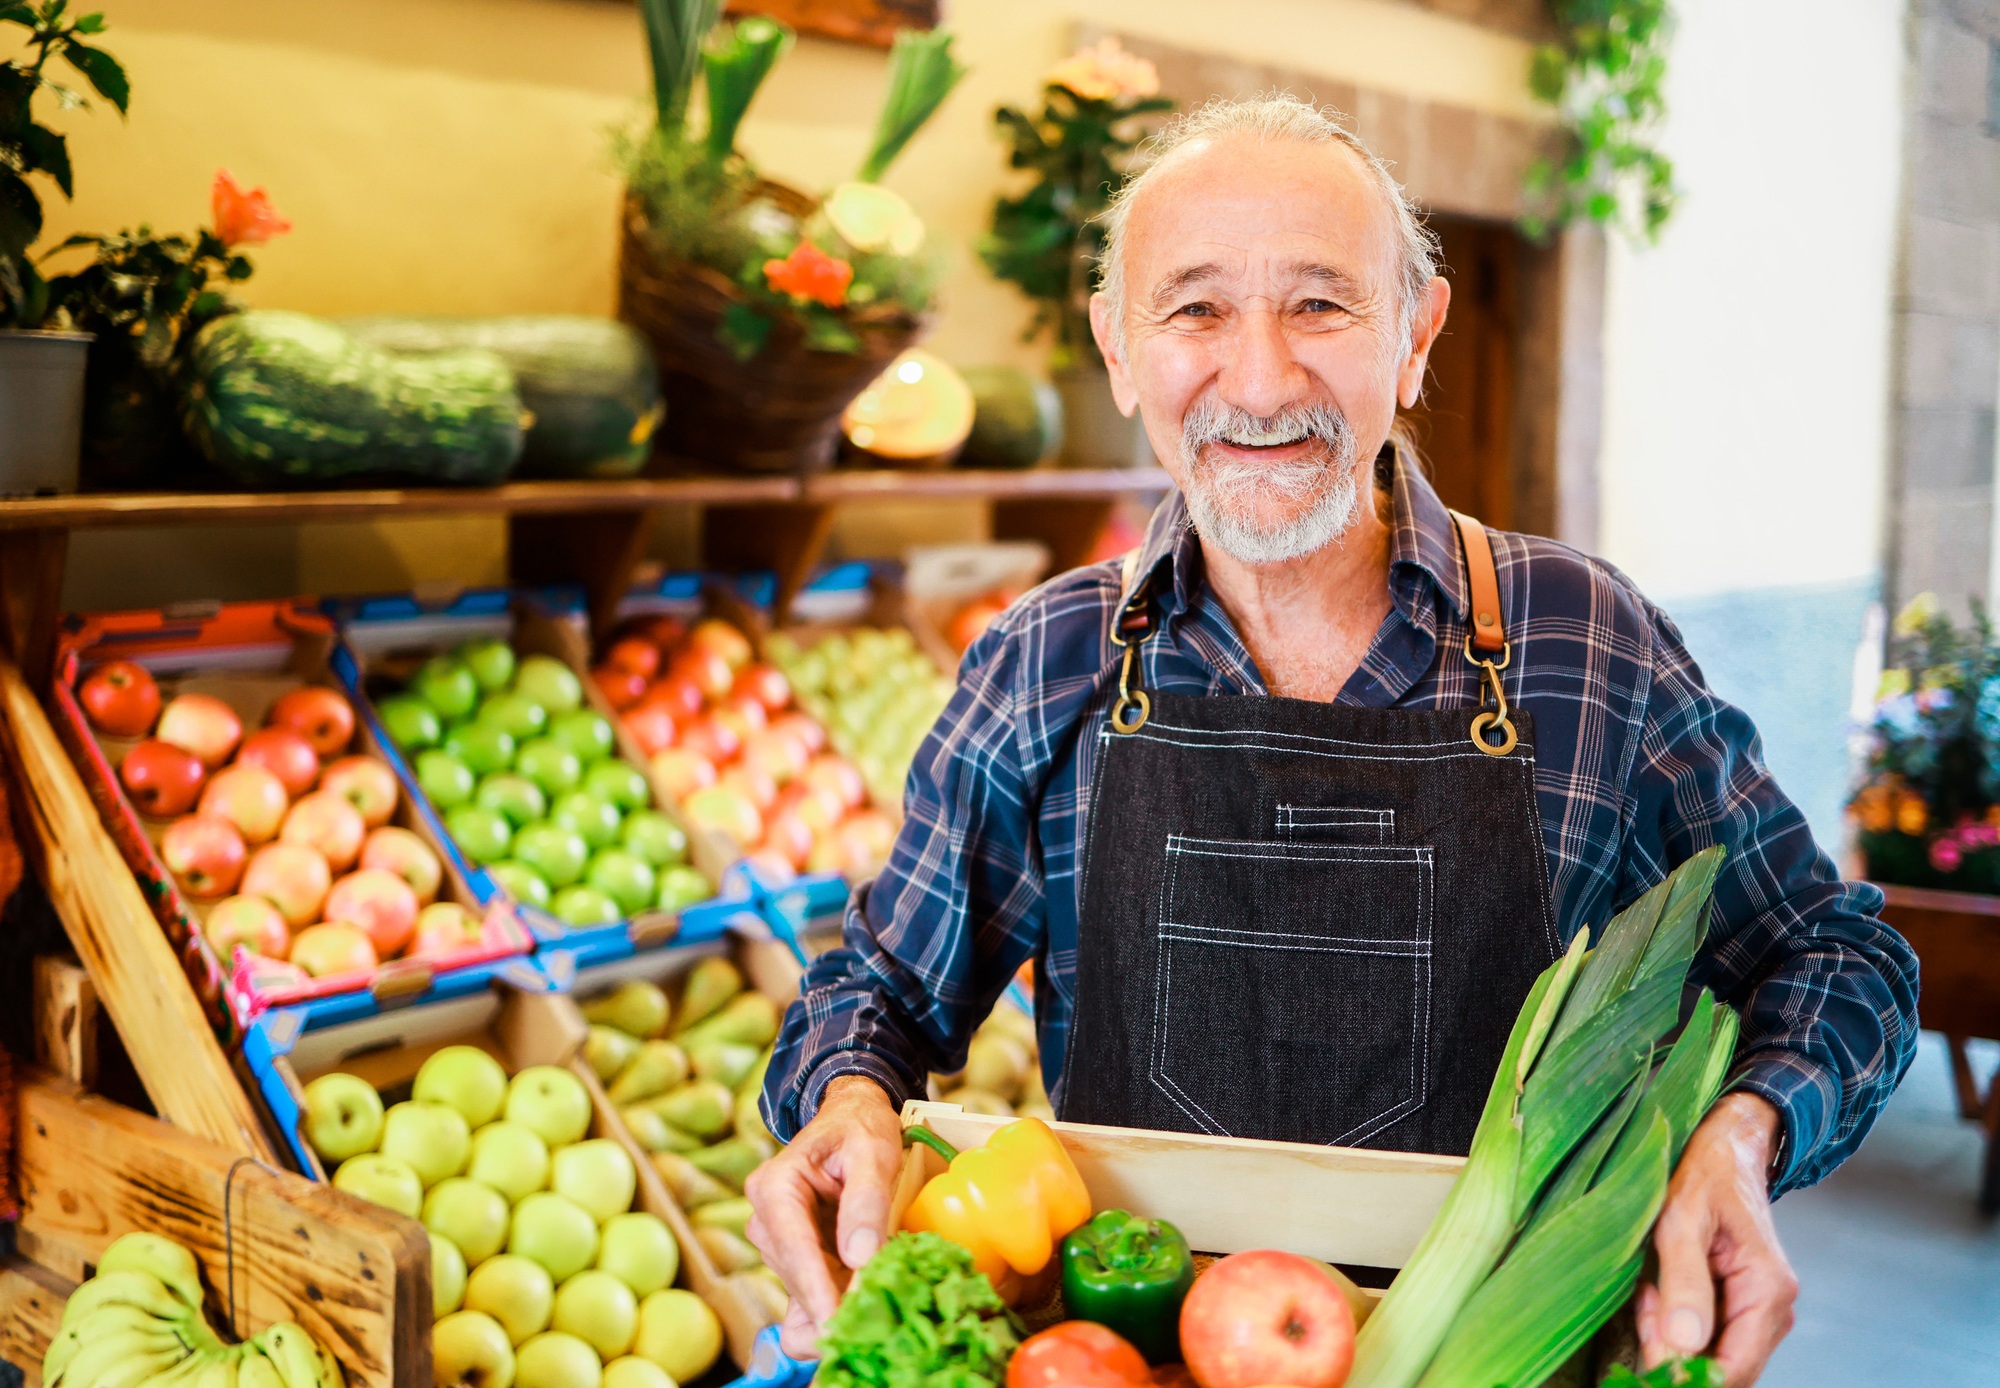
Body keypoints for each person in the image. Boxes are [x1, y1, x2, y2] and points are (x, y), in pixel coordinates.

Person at [745, 95, 1919, 1384]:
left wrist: (1742, 1137)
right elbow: (878, 993)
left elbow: (1833, 953)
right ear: (1120, 350)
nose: (1258, 380)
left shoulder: (1581, 640)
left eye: (1322, 304)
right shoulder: (1050, 662)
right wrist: (848, 1100)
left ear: (1416, 337)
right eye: (1193, 309)